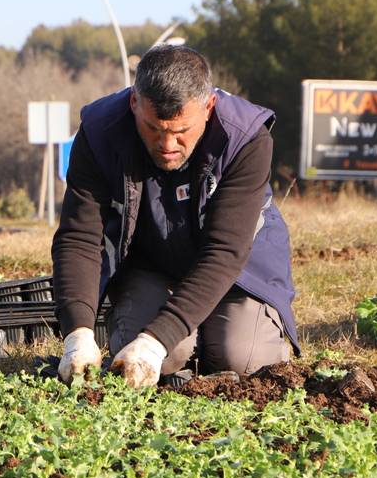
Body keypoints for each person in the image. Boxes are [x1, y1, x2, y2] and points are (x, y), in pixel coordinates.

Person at [51, 45, 298, 386]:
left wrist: (154, 341)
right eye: (154, 128)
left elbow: (225, 251)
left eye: (182, 131)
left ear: (208, 107)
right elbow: (79, 238)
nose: (167, 144)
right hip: (151, 266)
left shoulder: (246, 138)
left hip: (238, 272)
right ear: (134, 103)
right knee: (141, 359)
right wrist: (77, 332)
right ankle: (179, 339)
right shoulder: (98, 133)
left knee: (243, 359)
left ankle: (216, 331)